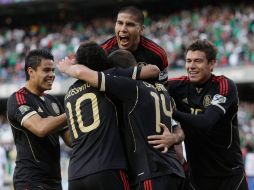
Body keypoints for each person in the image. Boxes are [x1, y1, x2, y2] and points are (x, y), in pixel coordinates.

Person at [57, 44, 186, 190]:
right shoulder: (156, 91)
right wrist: (176, 138)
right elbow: (177, 127)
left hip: (77, 172)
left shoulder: (70, 93)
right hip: (120, 168)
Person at [154, 39, 248, 190]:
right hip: (197, 178)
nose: (191, 66)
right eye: (188, 61)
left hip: (229, 177)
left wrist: (171, 112)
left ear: (211, 64)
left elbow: (207, 122)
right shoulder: (177, 86)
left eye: (197, 61)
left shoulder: (224, 86)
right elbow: (148, 89)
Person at [63, 41, 131, 190]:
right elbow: (151, 72)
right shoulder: (106, 80)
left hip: (75, 174)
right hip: (107, 167)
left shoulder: (69, 93)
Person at [7, 49, 71, 190]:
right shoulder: (19, 98)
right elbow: (41, 128)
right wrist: (73, 111)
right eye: (46, 70)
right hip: (30, 181)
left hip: (55, 181)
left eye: (53, 70)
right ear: (31, 72)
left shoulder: (52, 101)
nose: (52, 75)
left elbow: (70, 140)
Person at [101, 5, 168, 71]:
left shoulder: (158, 55)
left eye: (130, 24)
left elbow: (162, 82)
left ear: (141, 29)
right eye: (120, 23)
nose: (123, 29)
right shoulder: (103, 53)